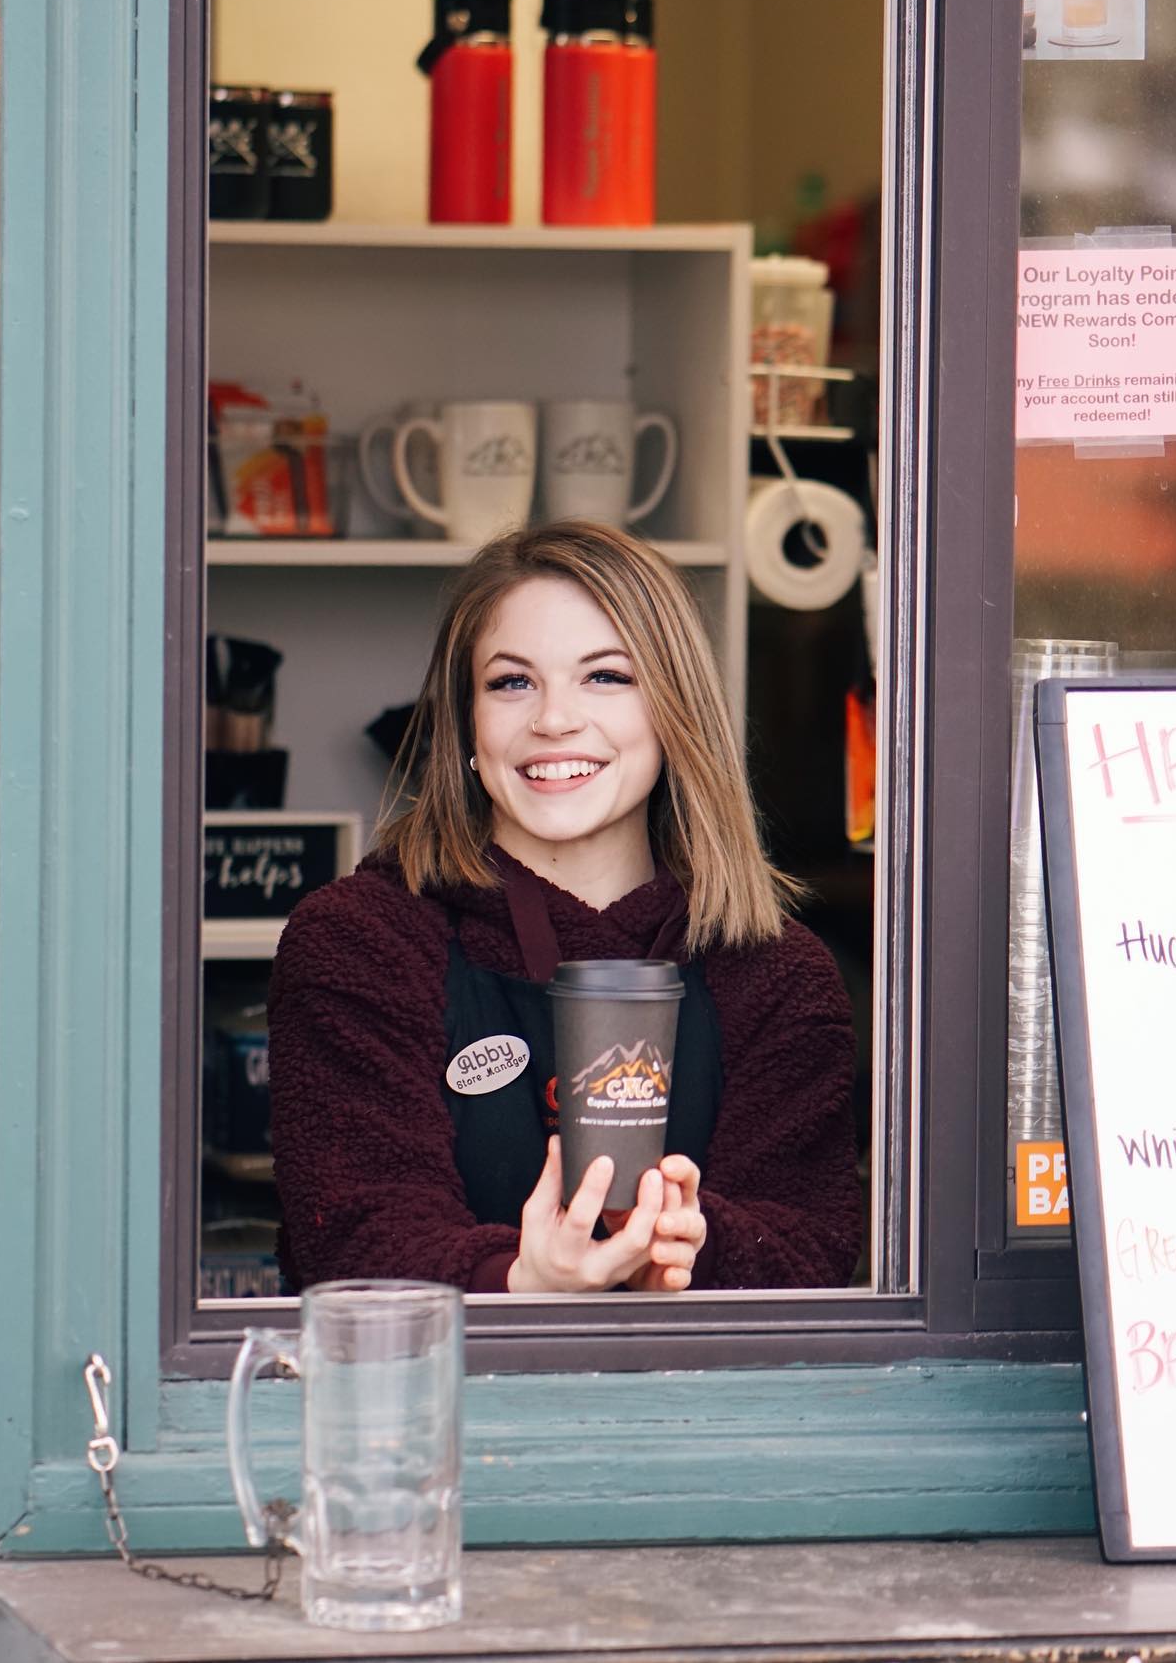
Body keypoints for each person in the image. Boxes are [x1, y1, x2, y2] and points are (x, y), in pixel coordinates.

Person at [268, 520, 862, 1293]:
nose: (553, 719)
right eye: (512, 682)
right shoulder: (358, 943)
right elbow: (353, 1240)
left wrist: (685, 1245)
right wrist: (522, 1280)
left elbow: (810, 1250)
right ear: (467, 727)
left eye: (605, 677)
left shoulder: (778, 974)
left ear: (675, 714)